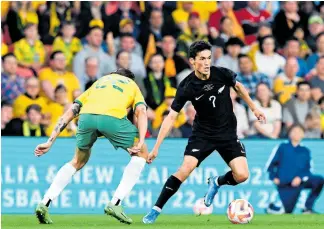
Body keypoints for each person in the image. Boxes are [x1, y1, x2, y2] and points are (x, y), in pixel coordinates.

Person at [142, 41, 266, 224]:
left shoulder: (221, 73)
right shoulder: (187, 85)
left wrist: (254, 108)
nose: (207, 62)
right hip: (203, 135)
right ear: (192, 61)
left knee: (242, 175)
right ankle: (155, 210)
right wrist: (156, 148)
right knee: (185, 169)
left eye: (209, 58)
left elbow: (239, 87)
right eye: (202, 59)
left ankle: (216, 182)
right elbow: (170, 118)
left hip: (227, 134)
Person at [34, 69, 148, 225]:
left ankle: (44, 202)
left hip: (86, 118)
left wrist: (50, 141)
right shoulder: (131, 85)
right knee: (141, 154)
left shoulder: (99, 82)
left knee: (77, 161)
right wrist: (141, 141)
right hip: (112, 118)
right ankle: (115, 203)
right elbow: (141, 111)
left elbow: (71, 111)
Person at [266, 125, 324, 214]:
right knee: (287, 211)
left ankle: (307, 208)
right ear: (289, 134)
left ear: (303, 135)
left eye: (299, 132)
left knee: (319, 180)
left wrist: (300, 177)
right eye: (294, 131)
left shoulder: (305, 151)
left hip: (300, 182)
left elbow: (308, 170)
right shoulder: (282, 147)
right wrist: (273, 177)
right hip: (285, 183)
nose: (297, 134)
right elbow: (270, 165)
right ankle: (273, 208)